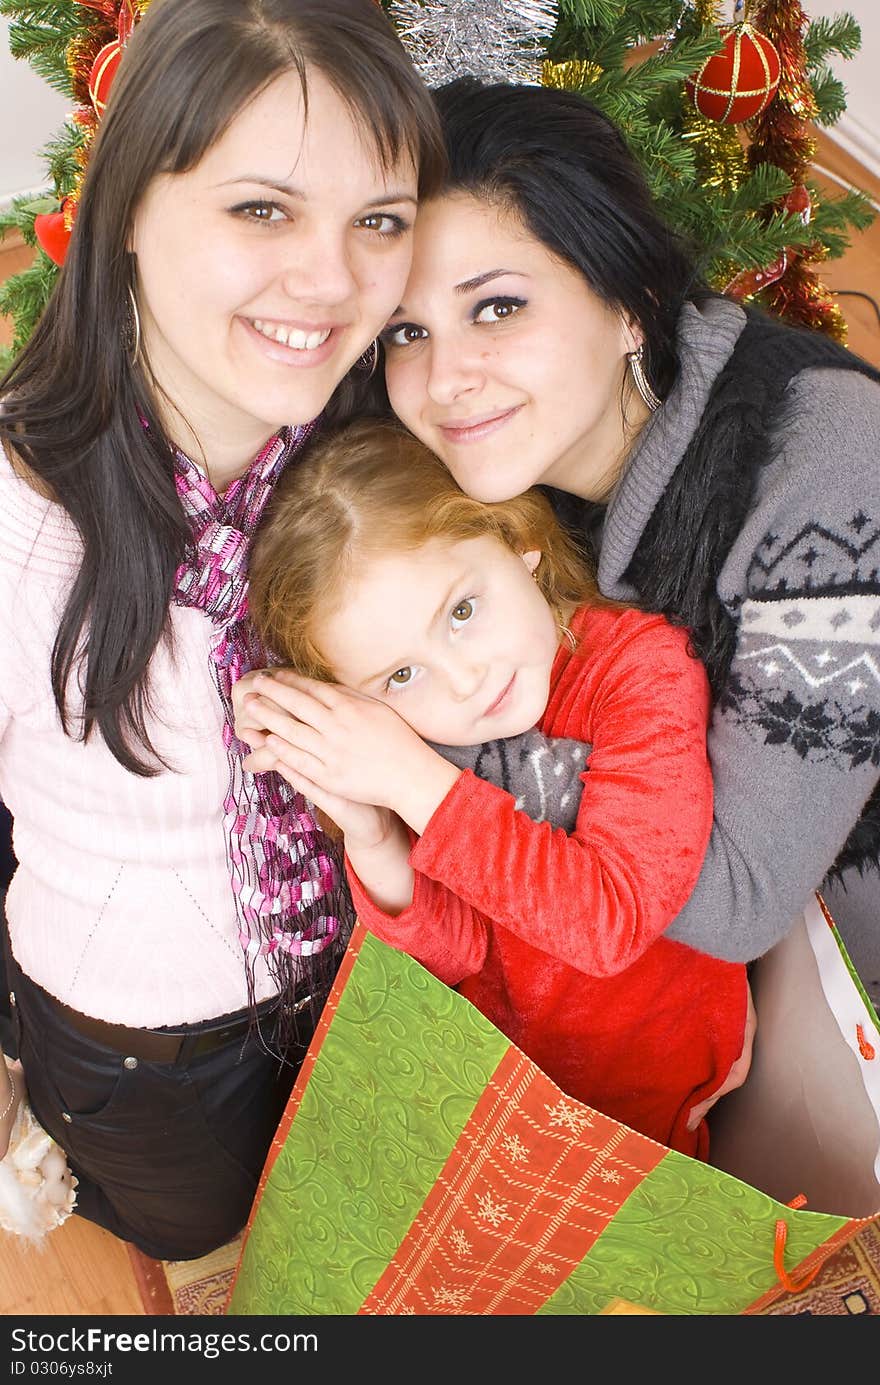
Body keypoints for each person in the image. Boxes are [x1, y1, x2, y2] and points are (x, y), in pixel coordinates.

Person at [0, 0, 445, 1260]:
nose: (332, 281)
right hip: (149, 1043)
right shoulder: (21, 525)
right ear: (130, 205)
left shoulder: (377, 461)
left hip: (358, 972)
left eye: (380, 222)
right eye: (263, 209)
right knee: (203, 1236)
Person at [373, 76, 880, 999]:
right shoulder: (511, 481)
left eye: (497, 307)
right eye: (407, 330)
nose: (445, 379)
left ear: (630, 303)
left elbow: (736, 891)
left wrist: (405, 757)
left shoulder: (831, 471)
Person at [234, 418, 751, 1159]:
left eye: (462, 611)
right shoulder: (419, 743)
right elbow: (461, 954)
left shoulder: (641, 668)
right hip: (503, 1089)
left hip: (653, 1081)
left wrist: (415, 780)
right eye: (400, 675)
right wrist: (375, 832)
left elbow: (613, 917)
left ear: (517, 544)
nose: (466, 677)